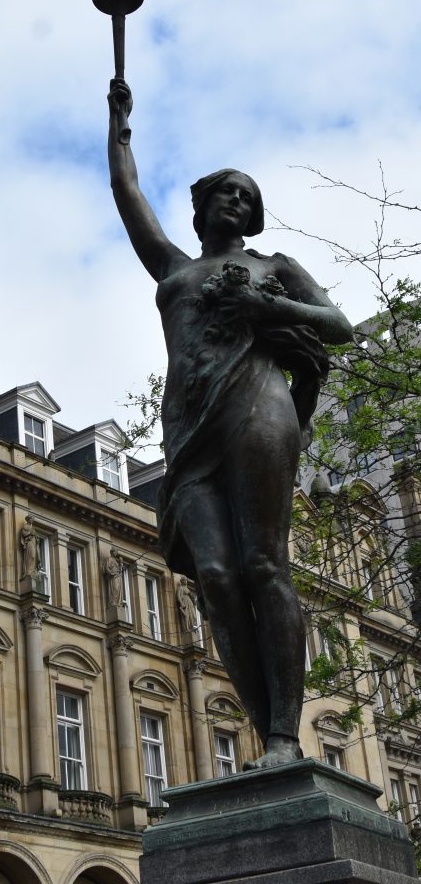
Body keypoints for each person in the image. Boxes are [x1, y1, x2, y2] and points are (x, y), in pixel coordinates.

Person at [107, 78, 353, 768]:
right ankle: (266, 731)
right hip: (189, 432)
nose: (236, 201)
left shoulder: (275, 269)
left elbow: (337, 326)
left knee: (263, 563)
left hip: (260, 409)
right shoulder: (176, 273)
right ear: (203, 205)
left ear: (255, 214)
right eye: (226, 191)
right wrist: (118, 127)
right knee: (215, 575)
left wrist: (269, 312)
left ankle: (283, 736)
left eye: (248, 195)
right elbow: (129, 201)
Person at [19, 514, 40, 581]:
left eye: (33, 519)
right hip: (29, 543)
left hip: (34, 543)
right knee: (31, 556)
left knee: (35, 557)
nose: (32, 520)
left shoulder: (33, 528)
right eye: (31, 519)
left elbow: (35, 536)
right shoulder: (25, 526)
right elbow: (24, 534)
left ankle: (32, 570)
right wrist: (30, 533)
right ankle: (28, 571)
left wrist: (37, 538)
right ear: (28, 519)